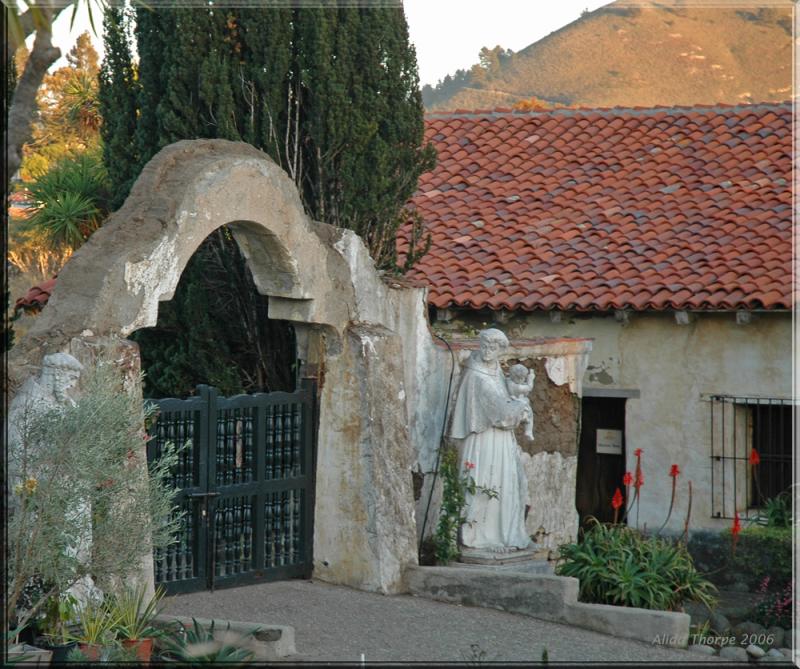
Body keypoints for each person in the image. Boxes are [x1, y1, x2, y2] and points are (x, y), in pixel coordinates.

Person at [448, 329, 532, 552]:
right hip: (482, 439)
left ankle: (500, 535)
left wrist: (517, 407)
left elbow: (506, 402)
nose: (487, 351)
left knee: (503, 484)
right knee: (482, 481)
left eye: (493, 348)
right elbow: (499, 412)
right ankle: (480, 537)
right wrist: (520, 408)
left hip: (502, 442)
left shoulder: (497, 373)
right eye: (484, 345)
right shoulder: (475, 374)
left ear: (501, 351)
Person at [507, 363, 535, 440]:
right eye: (522, 378)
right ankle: (528, 431)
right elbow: (529, 388)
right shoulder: (515, 386)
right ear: (517, 378)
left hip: (517, 401)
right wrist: (531, 379)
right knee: (530, 414)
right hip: (516, 403)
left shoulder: (509, 381)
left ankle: (528, 430)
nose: (523, 380)